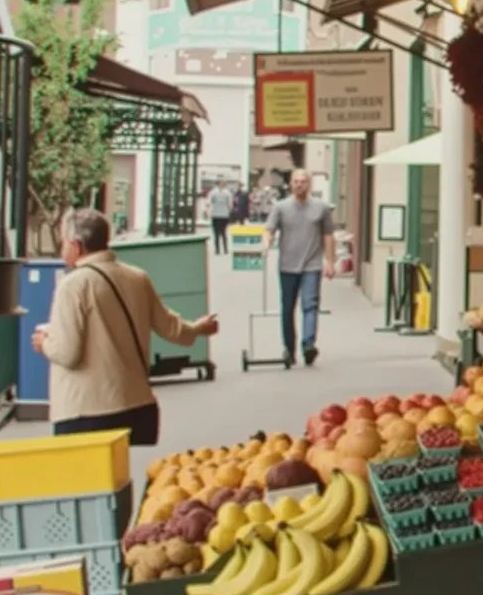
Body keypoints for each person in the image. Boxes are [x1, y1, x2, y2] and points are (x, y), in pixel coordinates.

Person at [33, 208, 219, 442]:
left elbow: (67, 353)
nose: (62, 250)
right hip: (137, 406)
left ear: (76, 246)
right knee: (123, 477)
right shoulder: (136, 277)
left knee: (89, 479)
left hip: (86, 412)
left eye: (63, 244)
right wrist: (199, 328)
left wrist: (44, 342)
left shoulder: (74, 285)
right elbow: (170, 327)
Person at [261, 169, 335, 368]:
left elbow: (328, 235)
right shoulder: (281, 207)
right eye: (296, 181)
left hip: (312, 264)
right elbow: (269, 229)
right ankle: (289, 348)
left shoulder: (321, 208)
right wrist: (266, 243)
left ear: (309, 184)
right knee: (288, 308)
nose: (299, 185)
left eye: (303, 181)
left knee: (310, 305)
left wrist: (330, 262)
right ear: (291, 184)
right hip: (287, 265)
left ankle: (308, 345)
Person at [207, 178, 233, 255]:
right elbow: (230, 205)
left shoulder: (212, 192)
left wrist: (209, 210)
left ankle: (218, 250)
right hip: (224, 215)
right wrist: (229, 212)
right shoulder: (228, 193)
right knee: (223, 232)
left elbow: (208, 202)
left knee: (217, 233)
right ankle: (225, 249)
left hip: (216, 214)